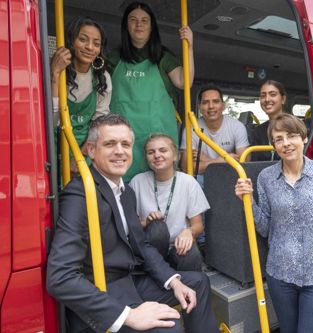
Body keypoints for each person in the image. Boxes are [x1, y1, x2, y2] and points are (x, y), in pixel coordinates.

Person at [46, 114, 218, 333]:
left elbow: (142, 246)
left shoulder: (126, 192)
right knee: (170, 328)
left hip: (130, 280)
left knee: (198, 283)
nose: (120, 151)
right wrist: (129, 316)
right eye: (110, 144)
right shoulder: (80, 193)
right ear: (91, 150)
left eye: (125, 144)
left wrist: (173, 281)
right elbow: (60, 277)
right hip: (103, 291)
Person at [234, 113, 313, 333]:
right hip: (280, 276)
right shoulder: (266, 178)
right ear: (273, 145)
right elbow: (266, 229)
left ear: (303, 138)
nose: (286, 143)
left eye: (291, 136)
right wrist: (247, 201)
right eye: (278, 139)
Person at [108, 1, 195, 181]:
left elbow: (184, 81)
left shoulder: (162, 57)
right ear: (126, 26)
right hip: (123, 139)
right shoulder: (114, 58)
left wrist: (189, 46)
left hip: (158, 138)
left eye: (144, 20)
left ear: (151, 27)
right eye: (133, 19)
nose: (139, 24)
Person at [129, 134, 209, 272]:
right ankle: (152, 280)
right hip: (149, 248)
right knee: (158, 228)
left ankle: (185, 289)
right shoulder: (137, 182)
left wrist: (189, 231)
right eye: (151, 152)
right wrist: (146, 222)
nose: (157, 155)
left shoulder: (188, 182)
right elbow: (129, 225)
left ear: (175, 156)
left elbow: (198, 225)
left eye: (163, 150)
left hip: (177, 247)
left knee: (192, 254)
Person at [50, 16, 112, 170]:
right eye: (83, 40)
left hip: (85, 150)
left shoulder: (102, 77)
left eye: (96, 44)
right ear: (71, 41)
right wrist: (55, 75)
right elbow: (51, 120)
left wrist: (80, 157)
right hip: (52, 146)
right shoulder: (55, 70)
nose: (90, 47)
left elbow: (100, 123)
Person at [180, 84, 250, 176]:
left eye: (216, 101)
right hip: (201, 180)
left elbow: (243, 165)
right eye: (205, 102)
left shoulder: (237, 127)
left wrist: (206, 160)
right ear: (200, 107)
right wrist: (221, 160)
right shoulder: (191, 129)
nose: (211, 106)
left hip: (228, 177)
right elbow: (186, 168)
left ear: (223, 105)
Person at [250, 80, 286, 161]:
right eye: (263, 96)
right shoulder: (258, 132)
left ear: (283, 99)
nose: (267, 99)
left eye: (272, 94)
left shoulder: (295, 126)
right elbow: (254, 164)